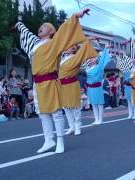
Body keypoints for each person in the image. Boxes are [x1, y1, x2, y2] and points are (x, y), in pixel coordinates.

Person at [14, 9, 90, 154]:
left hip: (50, 81)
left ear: (50, 31)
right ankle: (49, 140)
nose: (40, 27)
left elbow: (65, 31)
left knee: (55, 112)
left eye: (44, 26)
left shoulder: (54, 43)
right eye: (40, 26)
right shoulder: (36, 45)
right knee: (43, 113)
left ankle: (60, 140)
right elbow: (27, 34)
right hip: (37, 84)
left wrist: (75, 16)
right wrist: (19, 25)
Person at [59, 39, 97, 136]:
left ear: (73, 49)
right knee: (66, 107)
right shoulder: (62, 58)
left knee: (75, 106)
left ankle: (77, 126)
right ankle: (71, 126)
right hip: (62, 86)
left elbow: (83, 50)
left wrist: (88, 40)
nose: (66, 48)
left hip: (72, 84)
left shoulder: (76, 57)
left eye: (70, 47)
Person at [85, 47, 111, 125]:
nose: (91, 59)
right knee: (93, 104)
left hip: (98, 87)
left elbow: (103, 58)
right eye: (90, 58)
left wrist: (105, 48)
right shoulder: (87, 68)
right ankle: (96, 119)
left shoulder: (99, 66)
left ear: (97, 58)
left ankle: (100, 119)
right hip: (90, 88)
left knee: (99, 104)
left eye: (93, 58)